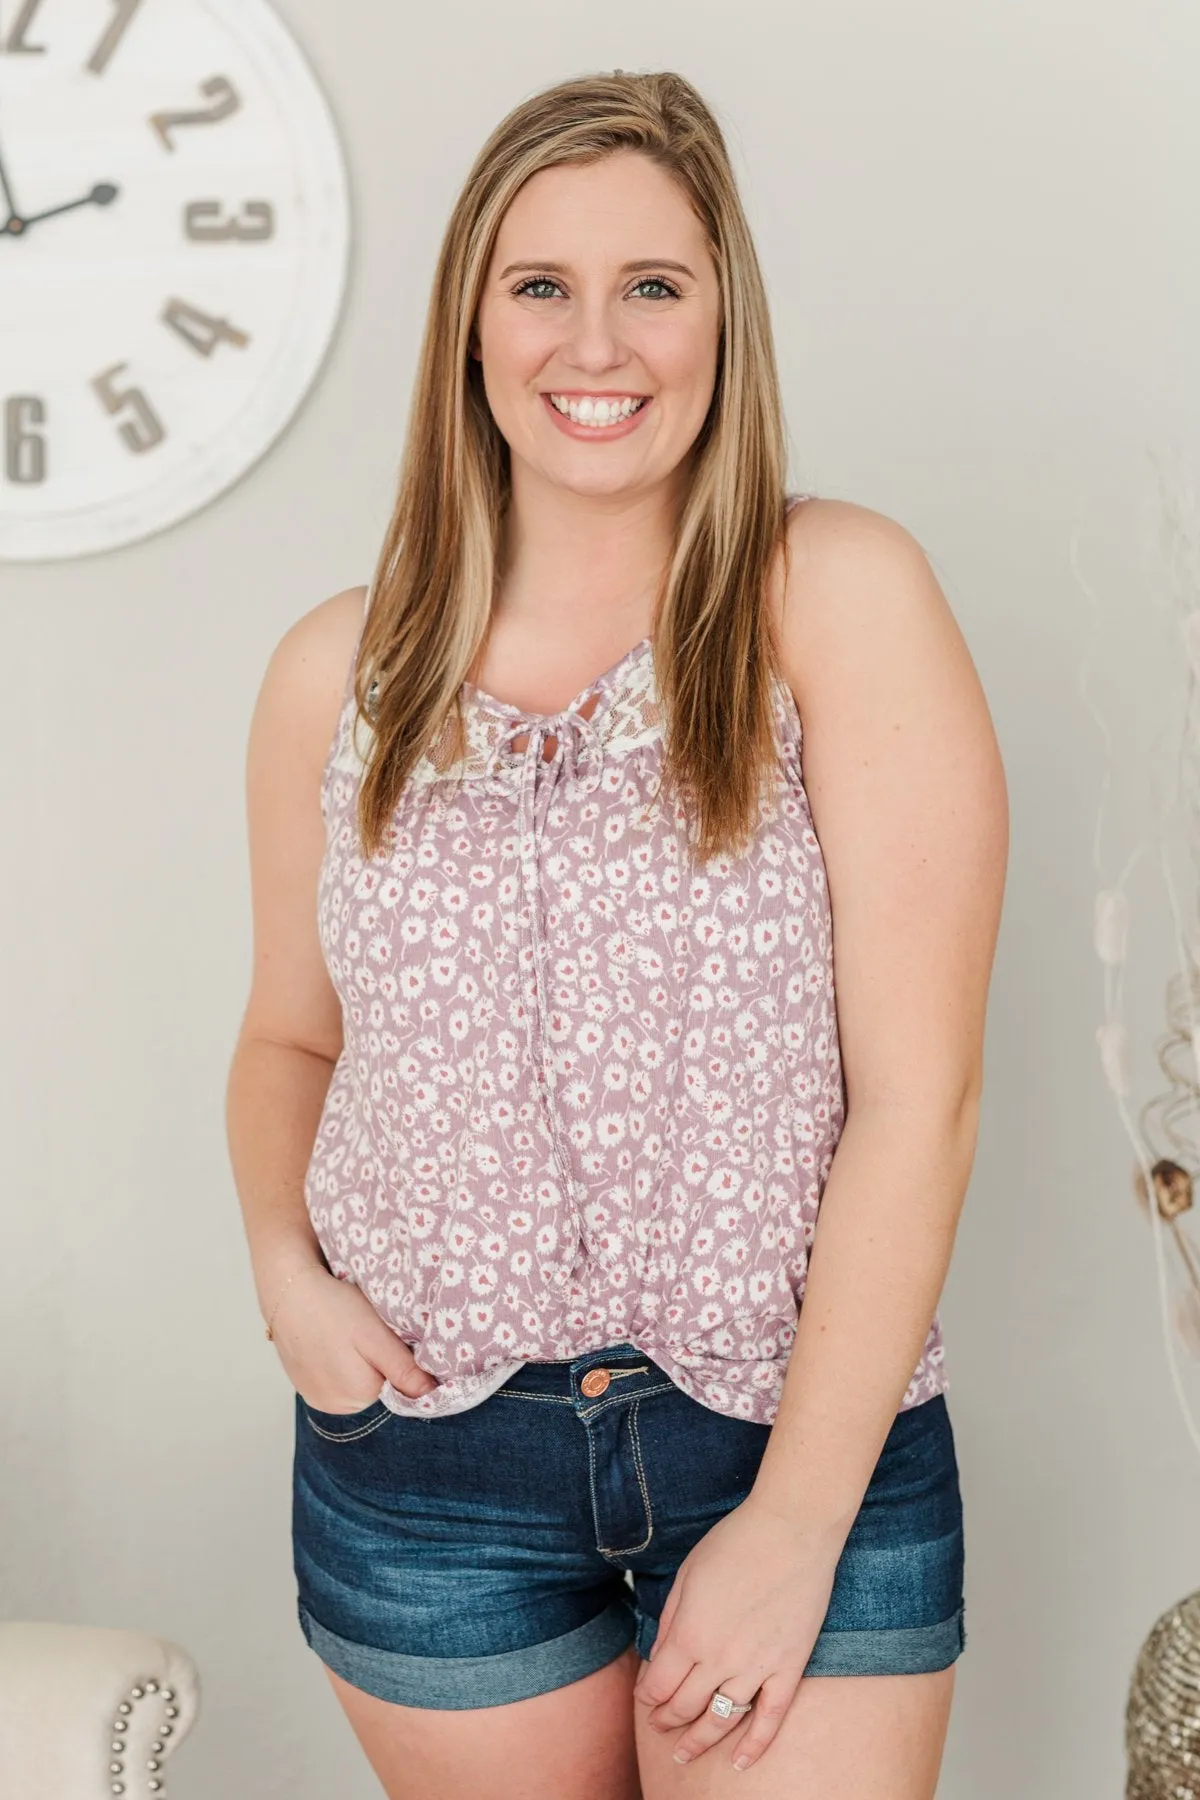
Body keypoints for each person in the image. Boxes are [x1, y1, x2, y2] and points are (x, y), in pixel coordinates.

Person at [226, 68, 1007, 1800]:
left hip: (794, 1434)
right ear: (471, 331)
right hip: (423, 1475)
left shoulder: (837, 596)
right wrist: (286, 1272)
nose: (601, 343)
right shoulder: (335, 676)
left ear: (724, 320)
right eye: (542, 287)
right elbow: (291, 1036)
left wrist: (798, 1515)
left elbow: (922, 1095)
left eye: (654, 285)